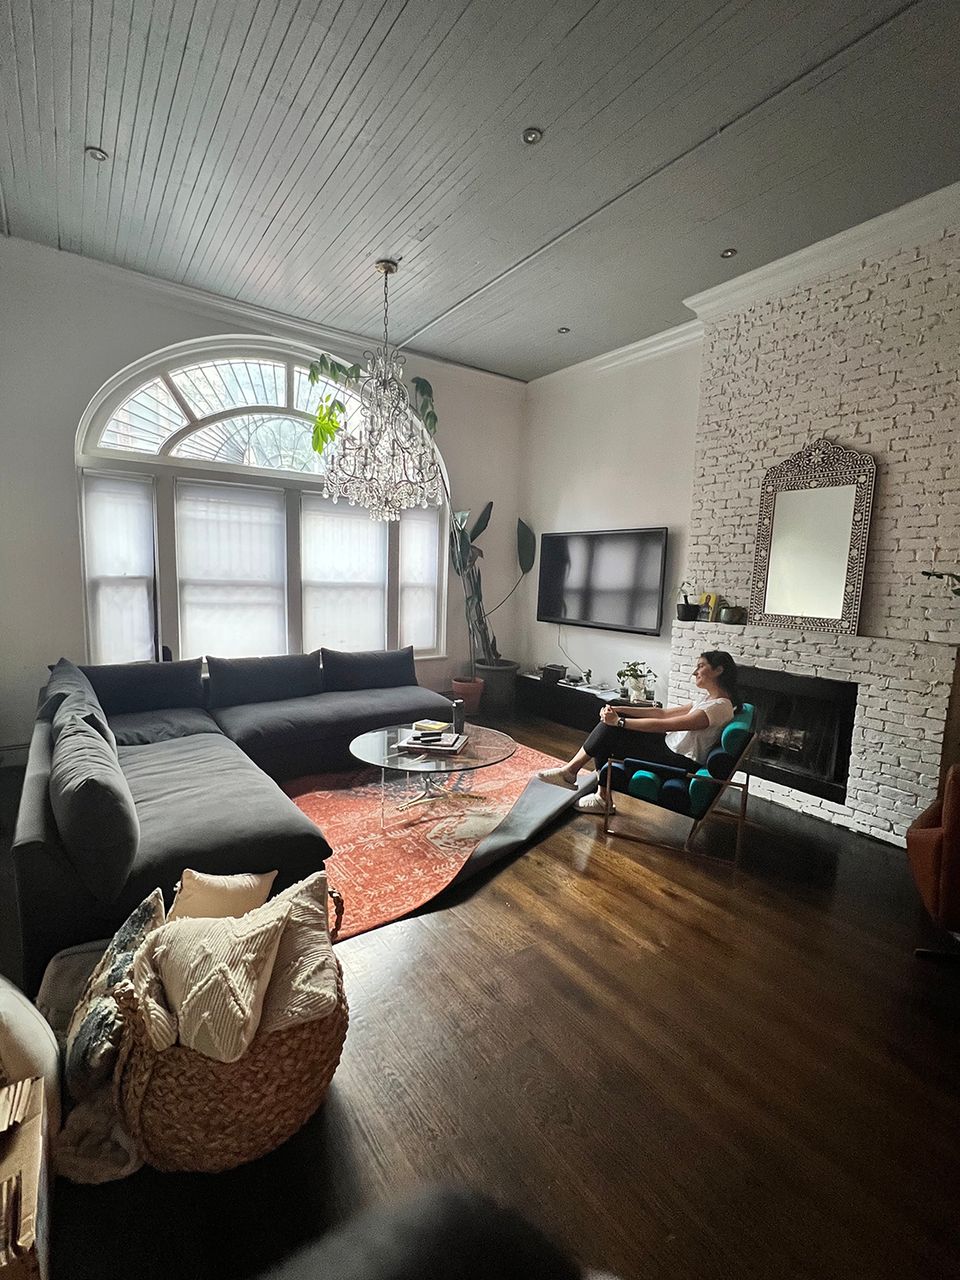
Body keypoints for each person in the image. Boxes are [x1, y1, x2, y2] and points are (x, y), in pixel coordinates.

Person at [537, 650, 741, 813]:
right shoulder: (707, 700)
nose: (695, 671)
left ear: (719, 670)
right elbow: (661, 713)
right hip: (671, 748)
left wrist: (620, 722)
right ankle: (586, 785)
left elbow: (667, 725)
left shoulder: (719, 707)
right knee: (611, 724)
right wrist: (619, 708)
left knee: (611, 731)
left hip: (681, 761)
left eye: (701, 666)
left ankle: (576, 778)